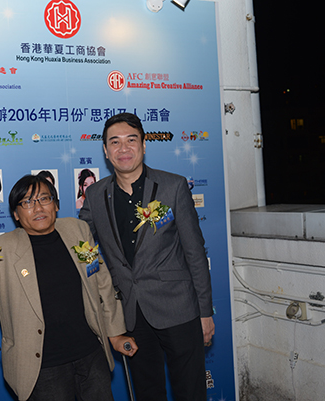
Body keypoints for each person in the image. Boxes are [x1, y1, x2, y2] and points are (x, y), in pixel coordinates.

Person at [79, 113, 214, 401]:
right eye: (115, 142)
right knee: (147, 392)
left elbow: (194, 252)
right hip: (131, 313)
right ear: (105, 150)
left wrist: (205, 313)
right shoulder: (95, 194)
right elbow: (81, 243)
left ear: (143, 145)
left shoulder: (172, 186)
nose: (123, 148)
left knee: (190, 391)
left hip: (179, 308)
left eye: (131, 140)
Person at [0, 174, 138, 401]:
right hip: (42, 366)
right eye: (27, 202)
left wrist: (115, 333)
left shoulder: (77, 230)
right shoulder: (0, 250)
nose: (38, 208)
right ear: (16, 214)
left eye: (44, 199)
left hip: (91, 354)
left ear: (55, 205)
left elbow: (102, 282)